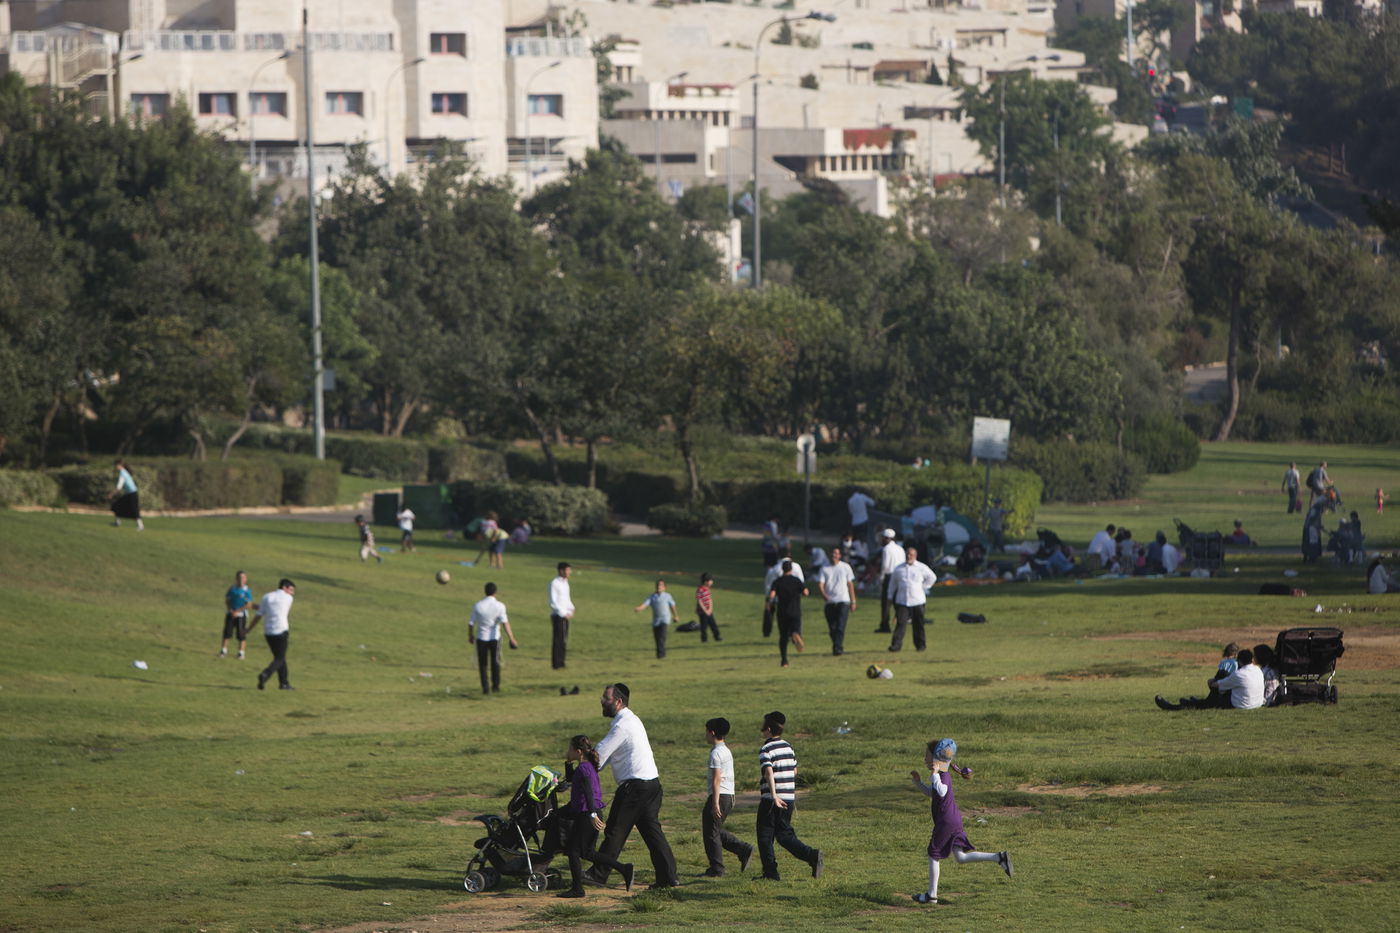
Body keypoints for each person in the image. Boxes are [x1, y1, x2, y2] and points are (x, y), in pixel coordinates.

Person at [584, 684, 679, 889]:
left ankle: (598, 874)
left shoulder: (622, 727)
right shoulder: (632, 720)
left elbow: (599, 755)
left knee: (615, 831)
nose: (602, 701)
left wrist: (581, 772)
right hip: (652, 785)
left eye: (606, 698)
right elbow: (605, 757)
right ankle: (668, 877)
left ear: (618, 702)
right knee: (652, 833)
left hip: (635, 788)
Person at [908, 738, 1012, 904]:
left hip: (946, 822)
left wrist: (934, 774)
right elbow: (932, 793)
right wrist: (917, 782)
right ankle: (998, 858)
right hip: (953, 820)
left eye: (927, 755)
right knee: (960, 857)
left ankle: (931, 895)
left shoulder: (943, 776)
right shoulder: (939, 776)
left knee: (933, 854)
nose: (924, 759)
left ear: (936, 758)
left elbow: (941, 791)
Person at [557, 735, 634, 898]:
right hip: (590, 812)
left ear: (578, 751)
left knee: (573, 851)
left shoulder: (584, 769)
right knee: (588, 852)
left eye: (570, 749)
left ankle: (577, 889)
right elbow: (572, 779)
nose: (567, 751)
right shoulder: (587, 766)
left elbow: (588, 793)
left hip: (587, 813)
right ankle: (624, 868)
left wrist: (592, 814)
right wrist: (568, 762)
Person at [755, 711, 823, 881]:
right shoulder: (788, 746)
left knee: (764, 836)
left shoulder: (766, 749)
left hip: (772, 800)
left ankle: (771, 873)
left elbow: (769, 772)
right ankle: (811, 856)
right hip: (789, 797)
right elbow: (794, 770)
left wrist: (773, 795)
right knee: (784, 836)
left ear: (768, 729)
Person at [701, 717, 753, 877]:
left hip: (720, 796)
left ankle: (717, 869)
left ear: (712, 732)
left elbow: (717, 778)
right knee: (713, 830)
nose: (705, 735)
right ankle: (743, 849)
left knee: (711, 832)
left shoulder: (716, 753)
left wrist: (715, 803)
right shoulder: (725, 750)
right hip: (728, 795)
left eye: (706, 731)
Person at [1155, 643, 1253, 710]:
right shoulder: (1256, 671)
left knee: (1207, 703)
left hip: (1235, 703)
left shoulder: (1239, 675)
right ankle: (1196, 702)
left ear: (1239, 661)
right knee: (1208, 700)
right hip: (1246, 701)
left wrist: (1213, 683)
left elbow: (1219, 685)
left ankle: (1174, 706)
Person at [468, 582, 517, 695]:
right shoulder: (500, 606)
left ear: (485, 592)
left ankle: (485, 688)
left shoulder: (478, 605)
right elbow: (505, 623)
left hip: (481, 638)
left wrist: (470, 635)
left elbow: (471, 623)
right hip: (495, 637)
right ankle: (496, 686)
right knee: (495, 662)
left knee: (483, 664)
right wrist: (511, 638)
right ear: (495, 592)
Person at [886, 546, 938, 653]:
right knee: (900, 623)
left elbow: (932, 577)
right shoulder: (898, 569)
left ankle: (920, 645)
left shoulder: (921, 567)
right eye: (907, 554)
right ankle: (896, 645)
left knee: (918, 624)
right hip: (902, 600)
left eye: (911, 555)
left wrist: (924, 587)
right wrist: (890, 597)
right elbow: (892, 584)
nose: (909, 556)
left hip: (917, 600)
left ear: (915, 556)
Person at [253, 579, 296, 691]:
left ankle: (284, 683)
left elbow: (260, 614)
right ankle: (265, 674)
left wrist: (247, 629)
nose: (292, 593)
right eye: (291, 590)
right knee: (279, 658)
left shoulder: (267, 596)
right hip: (281, 630)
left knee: (280, 657)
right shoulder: (289, 598)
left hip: (268, 633)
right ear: (284, 587)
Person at [768, 560, 808, 668]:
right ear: (791, 569)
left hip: (782, 612)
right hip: (795, 610)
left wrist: (770, 603)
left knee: (783, 637)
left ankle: (784, 660)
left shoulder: (777, 581)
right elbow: (805, 592)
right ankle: (795, 634)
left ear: (782, 569)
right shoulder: (796, 580)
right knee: (796, 629)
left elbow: (772, 595)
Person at [818, 546, 856, 656]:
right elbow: (820, 584)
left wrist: (853, 601)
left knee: (840, 626)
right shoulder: (824, 568)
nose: (834, 555)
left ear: (839, 555)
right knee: (832, 627)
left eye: (836, 553)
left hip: (843, 600)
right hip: (830, 601)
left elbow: (850, 584)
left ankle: (837, 648)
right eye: (832, 553)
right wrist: (824, 595)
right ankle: (837, 644)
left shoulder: (845, 567)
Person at [761, 547, 803, 638]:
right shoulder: (797, 567)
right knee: (795, 616)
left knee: (780, 617)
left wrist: (769, 599)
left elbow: (768, 585)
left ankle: (768, 632)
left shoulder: (774, 569)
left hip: (778, 597)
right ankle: (795, 632)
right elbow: (801, 582)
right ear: (789, 554)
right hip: (793, 598)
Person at [634, 579, 676, 660]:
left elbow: (672, 606)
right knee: (657, 638)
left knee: (662, 637)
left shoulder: (667, 596)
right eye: (657, 585)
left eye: (660, 585)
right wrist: (639, 608)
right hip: (656, 620)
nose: (658, 587)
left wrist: (675, 616)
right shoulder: (652, 597)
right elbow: (645, 604)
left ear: (664, 587)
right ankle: (659, 654)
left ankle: (661, 655)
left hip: (665, 619)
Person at [218, 570, 253, 659]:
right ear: (236, 579)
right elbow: (227, 600)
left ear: (246, 579)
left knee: (241, 634)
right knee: (227, 632)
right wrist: (231, 610)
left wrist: (238, 611)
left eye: (243, 577)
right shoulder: (232, 589)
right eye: (240, 577)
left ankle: (241, 652)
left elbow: (248, 604)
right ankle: (223, 650)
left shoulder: (247, 590)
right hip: (231, 613)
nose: (241, 579)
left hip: (241, 615)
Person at [876, 527, 903, 634]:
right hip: (899, 576)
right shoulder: (900, 549)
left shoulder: (886, 549)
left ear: (886, 538)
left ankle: (885, 625)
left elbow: (885, 565)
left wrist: (881, 577)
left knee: (886, 602)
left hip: (889, 576)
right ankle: (900, 622)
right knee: (898, 601)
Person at [548, 562, 575, 670]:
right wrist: (563, 613)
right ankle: (556, 663)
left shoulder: (565, 583)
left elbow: (566, 599)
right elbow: (553, 602)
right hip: (558, 615)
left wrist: (571, 608)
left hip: (566, 615)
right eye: (568, 570)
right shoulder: (554, 583)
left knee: (564, 638)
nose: (569, 572)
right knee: (558, 639)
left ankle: (562, 661)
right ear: (561, 571)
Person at [110, 460, 144, 531]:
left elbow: (119, 487)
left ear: (120, 465)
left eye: (116, 465)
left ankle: (140, 526)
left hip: (132, 494)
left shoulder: (122, 473)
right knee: (117, 505)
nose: (115, 467)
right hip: (130, 494)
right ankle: (117, 522)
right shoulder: (124, 472)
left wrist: (111, 494)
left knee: (134, 510)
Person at [695, 573, 721, 642]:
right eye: (711, 581)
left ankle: (717, 636)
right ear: (706, 581)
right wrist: (705, 610)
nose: (712, 582)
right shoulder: (700, 589)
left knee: (713, 624)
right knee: (704, 626)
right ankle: (704, 639)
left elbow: (710, 599)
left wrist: (710, 609)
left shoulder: (707, 589)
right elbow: (699, 601)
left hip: (709, 611)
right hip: (702, 612)